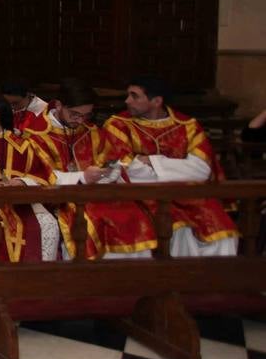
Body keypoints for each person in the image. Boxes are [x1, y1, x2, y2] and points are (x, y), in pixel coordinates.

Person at [102, 76, 238, 257]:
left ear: (157, 101)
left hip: (188, 196)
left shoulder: (188, 126)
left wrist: (152, 161)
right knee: (177, 227)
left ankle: (213, 283)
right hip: (140, 196)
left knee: (221, 228)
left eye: (134, 96)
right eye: (128, 95)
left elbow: (201, 170)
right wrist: (179, 169)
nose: (127, 101)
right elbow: (126, 169)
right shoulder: (118, 125)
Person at [29, 78, 156, 259]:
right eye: (74, 114)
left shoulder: (92, 132)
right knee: (89, 223)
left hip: (96, 193)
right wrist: (82, 177)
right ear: (58, 105)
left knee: (132, 214)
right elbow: (41, 175)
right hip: (62, 198)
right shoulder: (35, 135)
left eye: (86, 115)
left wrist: (110, 171)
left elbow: (107, 160)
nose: (80, 121)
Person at [0, 93, 60, 262]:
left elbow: (41, 173)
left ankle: (40, 278)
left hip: (21, 199)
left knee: (48, 223)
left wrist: (21, 181)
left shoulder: (21, 143)